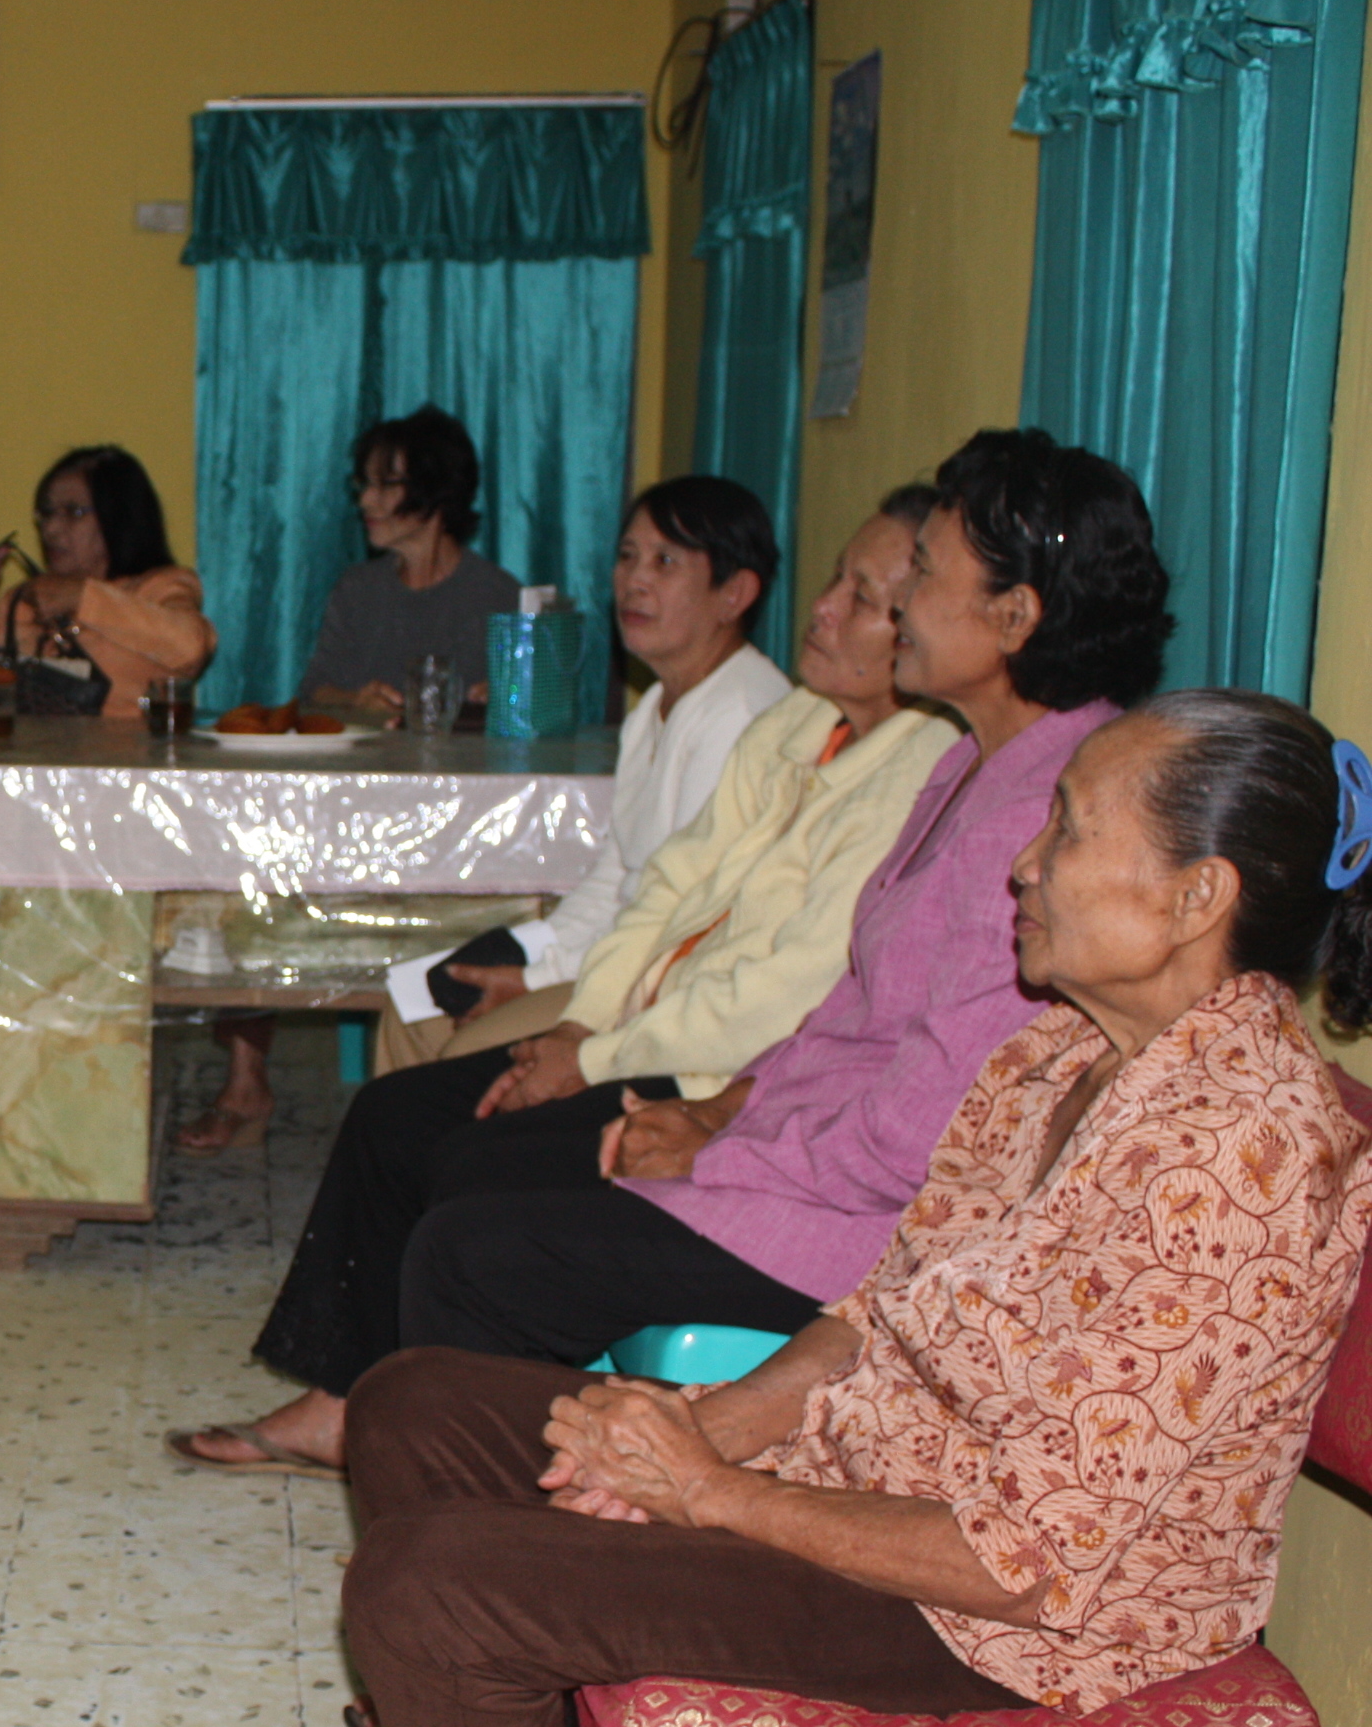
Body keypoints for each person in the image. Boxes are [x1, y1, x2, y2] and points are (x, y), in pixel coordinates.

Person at [306, 688, 1372, 1727]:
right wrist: (712, 1429)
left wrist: (709, 1496)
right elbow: (875, 1310)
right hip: (880, 1482)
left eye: (1069, 829)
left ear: (1193, 895)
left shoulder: (1243, 1152)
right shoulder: (1056, 1058)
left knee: (433, 1580)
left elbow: (1028, 1561)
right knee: (415, 1405)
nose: (1023, 861)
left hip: (990, 1618)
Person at [170, 490, 959, 1473]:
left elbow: (780, 992)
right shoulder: (800, 720)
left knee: (465, 1160)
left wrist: (593, 1052)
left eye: (866, 595)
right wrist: (580, 1025)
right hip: (638, 1023)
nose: (826, 607)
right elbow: (665, 884)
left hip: (713, 1068)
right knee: (390, 1115)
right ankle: (345, 1401)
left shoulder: (921, 768)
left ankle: (456, 1448)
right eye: (837, 578)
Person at [396, 428, 1170, 1382]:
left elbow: (921, 1139)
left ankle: (513, 1517)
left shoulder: (1050, 821)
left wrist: (712, 1158)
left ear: (1013, 616)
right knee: (471, 1181)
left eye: (920, 580)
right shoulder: (972, 764)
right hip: (799, 1164)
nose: (896, 613)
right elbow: (842, 1013)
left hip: (863, 1236)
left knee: (472, 1253)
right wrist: (717, 1111)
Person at [180, 476, 796, 1151]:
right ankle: (406, 1208)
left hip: (670, 991)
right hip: (622, 960)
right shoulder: (656, 705)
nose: (634, 582)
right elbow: (616, 873)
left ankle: (444, 1207)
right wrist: (529, 953)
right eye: (627, 557)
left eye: (665, 562)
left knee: (464, 1053)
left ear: (734, 593)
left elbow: (683, 919)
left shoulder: (743, 714)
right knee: (412, 1001)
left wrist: (535, 980)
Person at [0, 444, 213, 715]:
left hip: (128, 757)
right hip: (25, 758)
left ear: (120, 515)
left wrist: (84, 598)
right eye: (46, 514)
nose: (51, 529)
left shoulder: (163, 586)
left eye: (74, 512)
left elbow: (191, 648)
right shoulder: (26, 599)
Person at [299, 405, 522, 718]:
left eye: (385, 485)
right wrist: (355, 701)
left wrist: (509, 697)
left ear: (436, 488)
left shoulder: (501, 598)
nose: (365, 501)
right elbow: (314, 692)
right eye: (363, 485)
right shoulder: (357, 590)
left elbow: (535, 713)